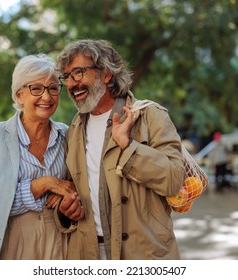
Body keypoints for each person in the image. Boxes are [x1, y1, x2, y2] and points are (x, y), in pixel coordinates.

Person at [55, 39, 185, 260]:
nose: (71, 84)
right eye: (66, 77)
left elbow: (174, 179)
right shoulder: (74, 129)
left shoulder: (150, 116)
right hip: (89, 254)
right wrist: (65, 211)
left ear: (106, 74)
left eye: (78, 73)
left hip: (143, 255)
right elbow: (73, 191)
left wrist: (128, 146)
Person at [0, 54, 83, 260]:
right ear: (19, 95)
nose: (47, 97)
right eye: (36, 88)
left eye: (53, 88)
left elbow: (77, 186)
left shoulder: (67, 135)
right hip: (10, 245)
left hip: (60, 245)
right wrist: (44, 184)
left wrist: (70, 196)